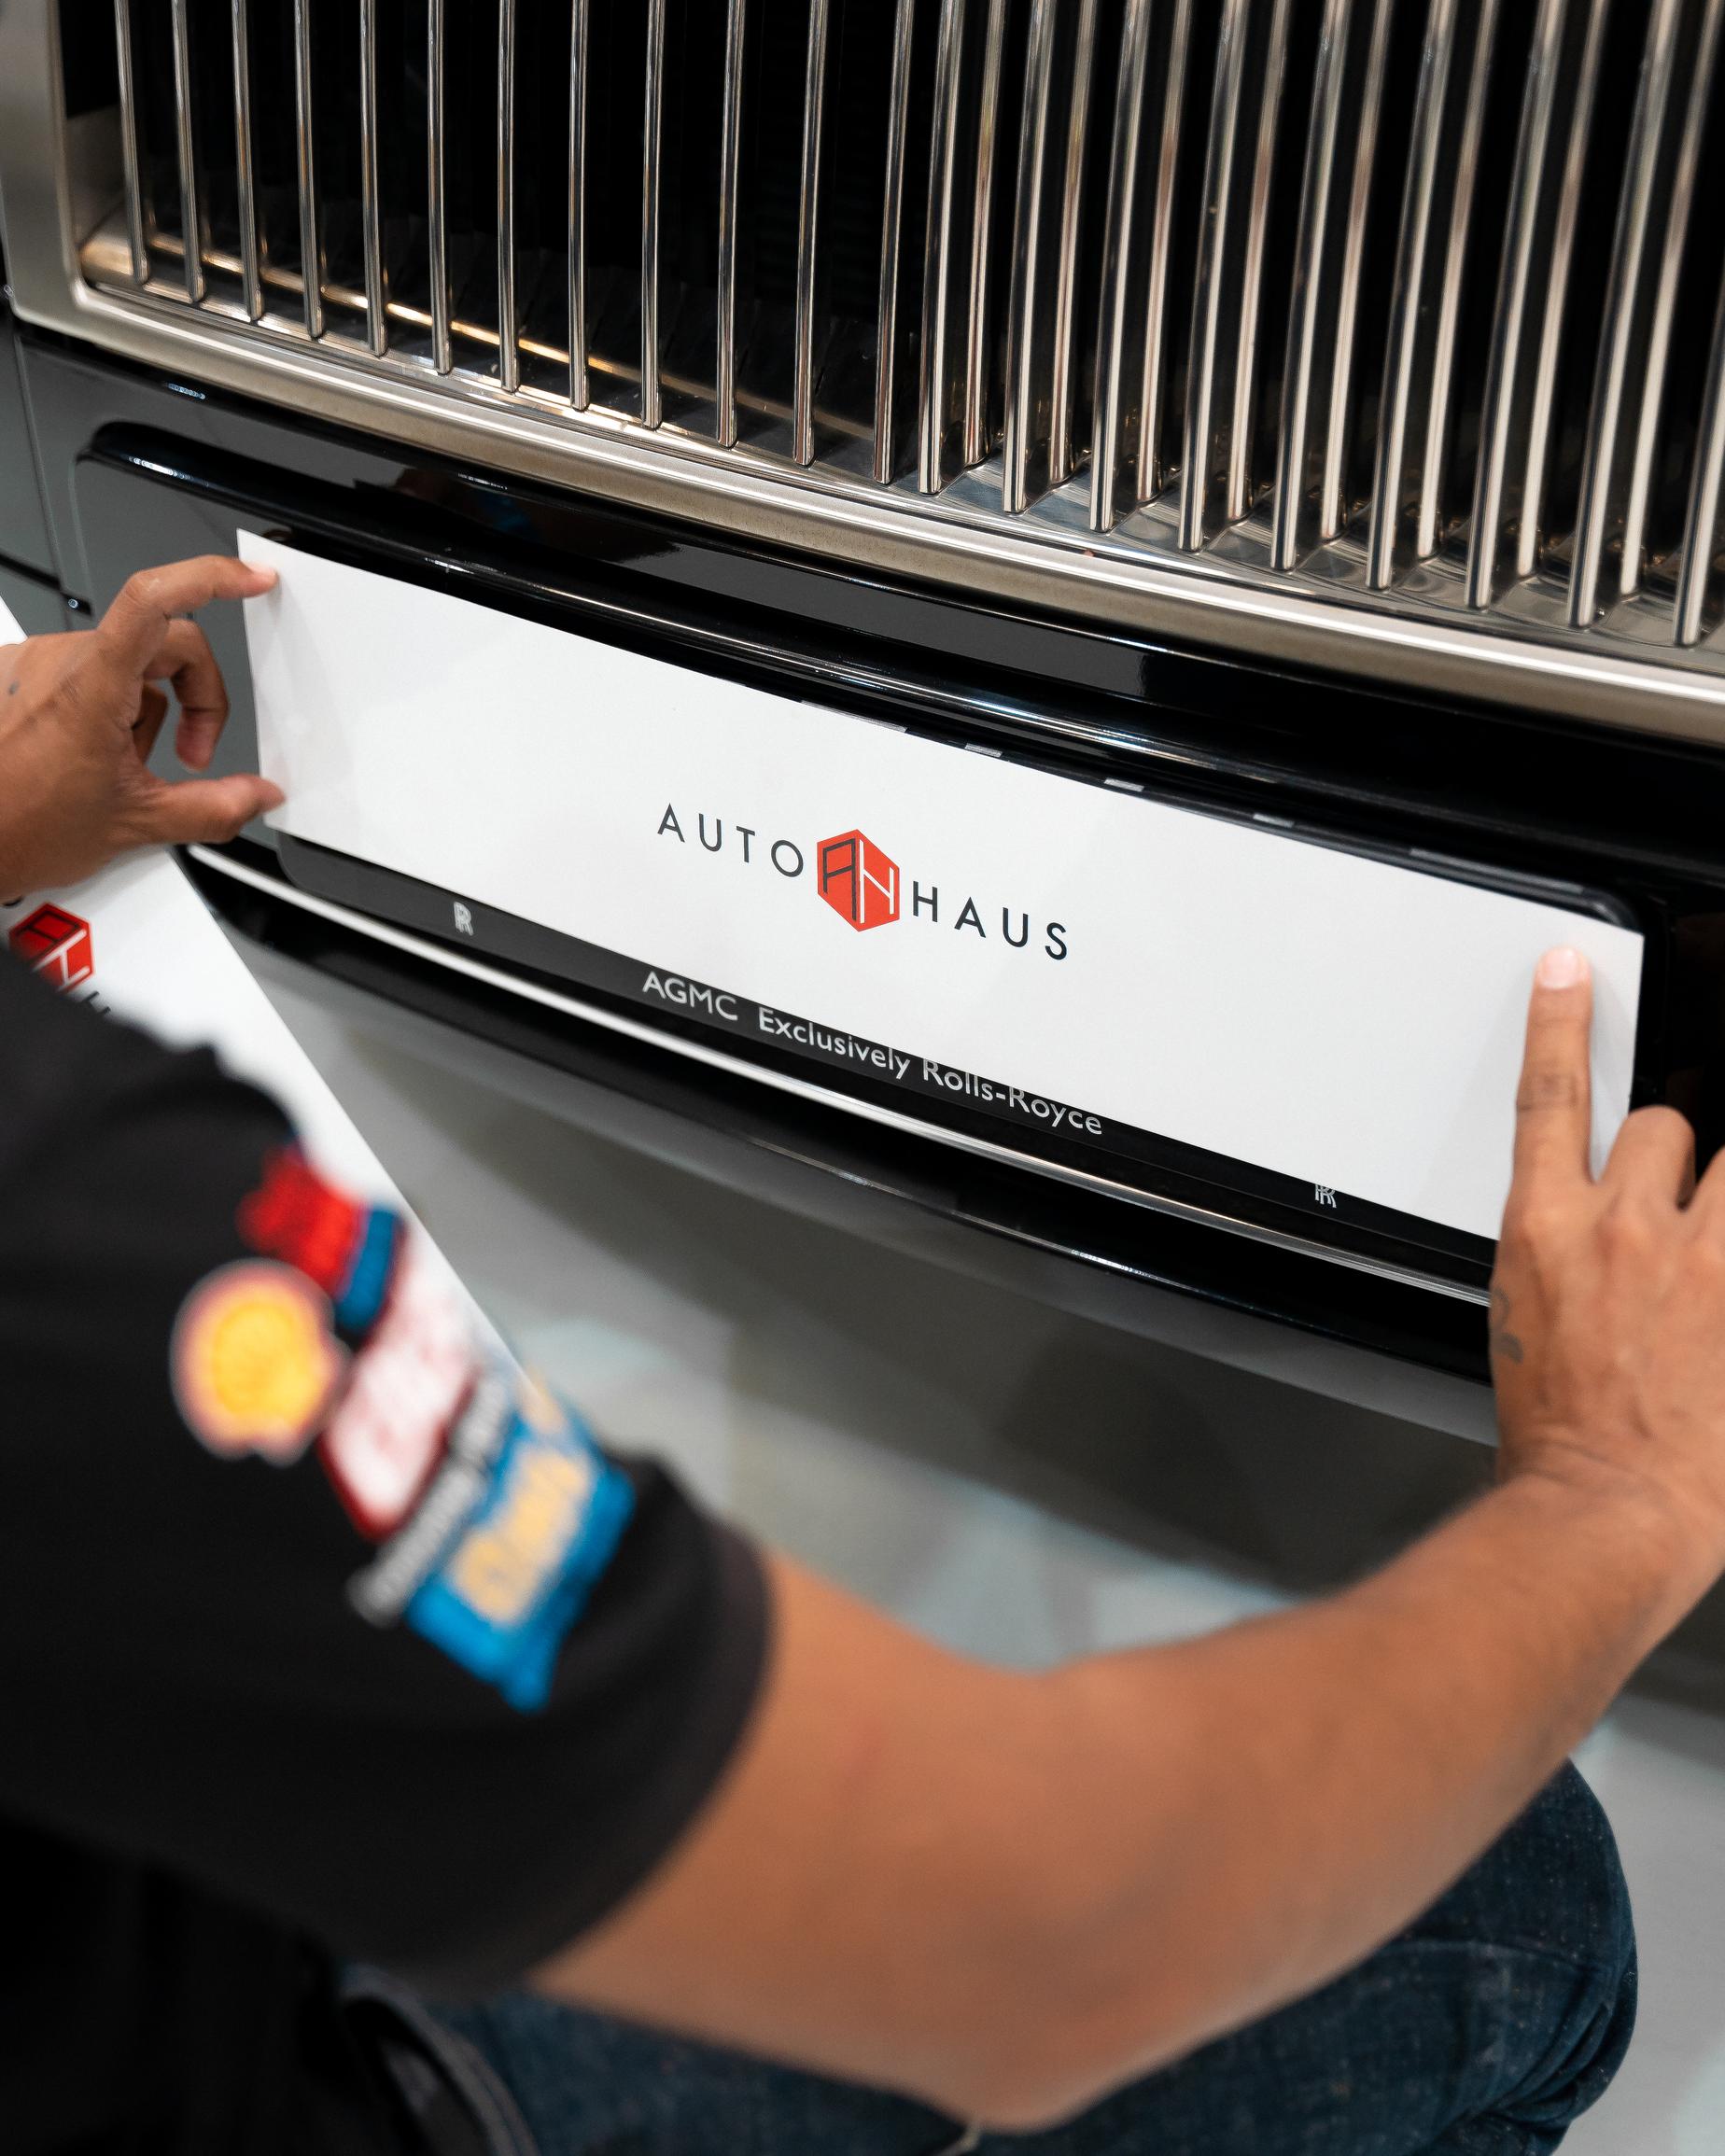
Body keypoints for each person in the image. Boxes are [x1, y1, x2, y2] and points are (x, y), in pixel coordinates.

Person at [8, 555, 1715, 2156]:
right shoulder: (110, 1242)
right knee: (1525, 1901)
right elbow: (1058, 1941)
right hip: (314, 2054)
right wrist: (1614, 1492)